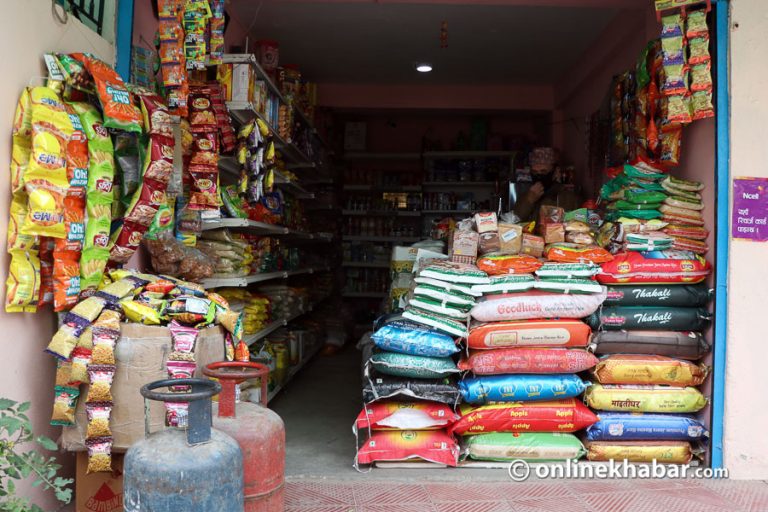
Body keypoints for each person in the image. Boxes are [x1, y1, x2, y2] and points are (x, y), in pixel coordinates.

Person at [513, 165, 582, 222]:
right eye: (534, 172)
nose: (539, 176)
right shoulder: (526, 195)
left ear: (555, 172)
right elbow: (514, 221)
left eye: (543, 172)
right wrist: (529, 200)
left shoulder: (568, 197)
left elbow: (577, 225)